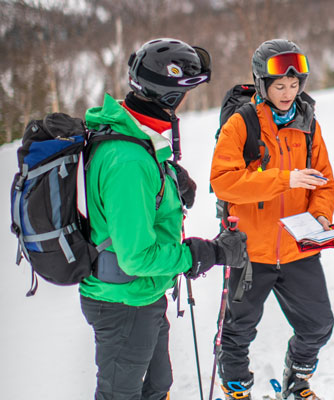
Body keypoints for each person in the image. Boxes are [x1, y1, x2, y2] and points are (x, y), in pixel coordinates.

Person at [80, 38, 249, 400]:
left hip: (143, 296)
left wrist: (171, 179)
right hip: (122, 301)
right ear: (170, 98)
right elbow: (136, 256)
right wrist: (205, 254)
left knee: (158, 387)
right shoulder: (129, 161)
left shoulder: (137, 141)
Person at [210, 39, 334, 400]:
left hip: (299, 247)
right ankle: (236, 388)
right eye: (280, 86)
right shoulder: (241, 124)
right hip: (250, 250)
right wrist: (285, 179)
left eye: (295, 85)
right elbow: (224, 182)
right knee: (237, 330)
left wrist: (321, 217)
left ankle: (297, 379)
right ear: (263, 85)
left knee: (318, 325)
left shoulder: (309, 124)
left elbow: (325, 183)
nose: (288, 93)